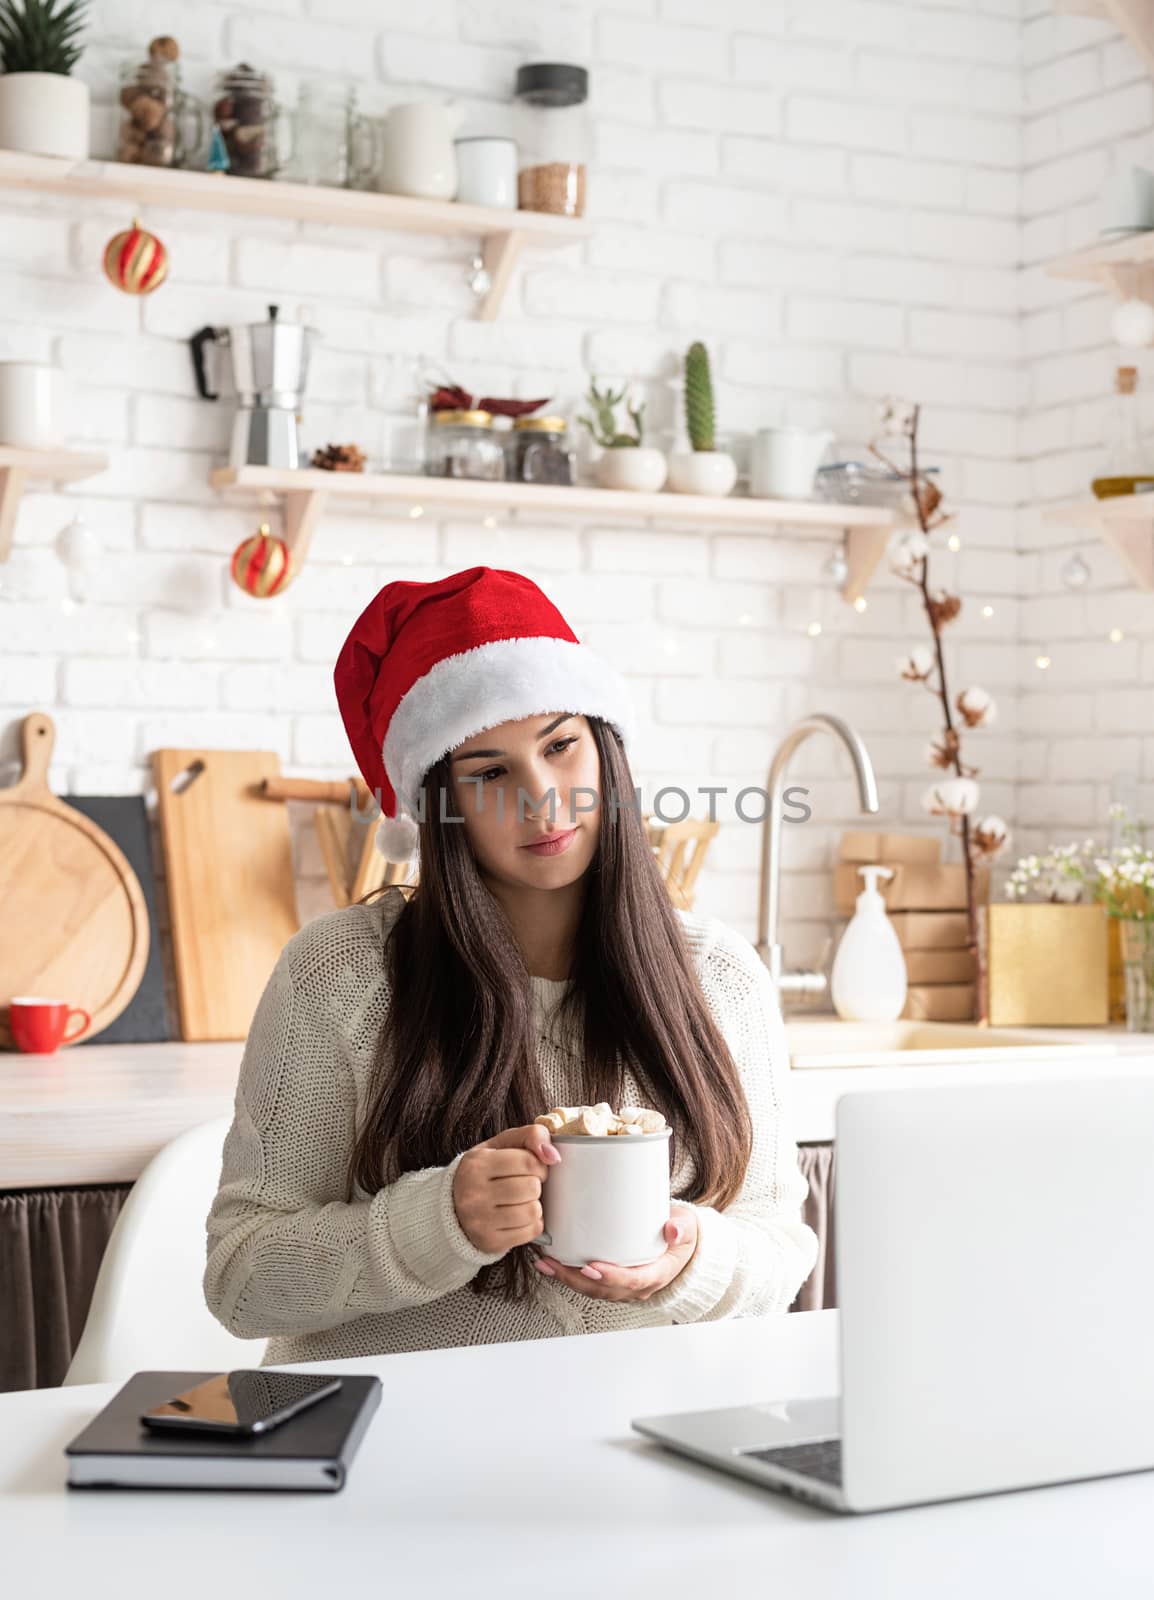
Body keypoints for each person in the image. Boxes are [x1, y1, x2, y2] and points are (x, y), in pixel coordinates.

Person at [204, 566, 817, 1363]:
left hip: (640, 1440)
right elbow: (240, 1279)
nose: (543, 800)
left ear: (606, 750)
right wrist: (437, 1223)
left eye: (561, 745)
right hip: (400, 1442)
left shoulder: (722, 977)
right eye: (490, 773)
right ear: (439, 805)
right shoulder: (339, 974)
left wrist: (691, 1256)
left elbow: (780, 1244)